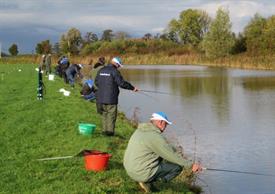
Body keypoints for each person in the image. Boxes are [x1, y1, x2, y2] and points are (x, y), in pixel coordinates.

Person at [123, 112, 202, 193]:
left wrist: (174, 150)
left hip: (130, 170)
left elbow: (165, 148)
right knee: (177, 167)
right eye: (166, 124)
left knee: (160, 156)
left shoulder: (140, 130)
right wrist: (191, 165)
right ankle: (155, 182)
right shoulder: (155, 137)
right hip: (140, 172)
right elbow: (171, 156)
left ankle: (147, 180)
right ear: (160, 122)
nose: (166, 127)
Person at [95, 57, 138, 136]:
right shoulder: (115, 71)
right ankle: (110, 133)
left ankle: (104, 132)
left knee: (104, 114)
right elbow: (121, 83)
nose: (119, 67)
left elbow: (96, 82)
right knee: (111, 115)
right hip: (111, 98)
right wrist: (132, 88)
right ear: (116, 64)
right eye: (119, 65)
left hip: (100, 97)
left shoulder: (101, 70)